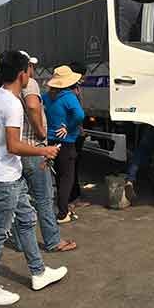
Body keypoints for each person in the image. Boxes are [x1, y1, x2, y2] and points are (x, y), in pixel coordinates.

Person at [0, 50, 66, 307]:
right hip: (5, 179)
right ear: (23, 73)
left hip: (9, 174)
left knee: (26, 221)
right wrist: (43, 149)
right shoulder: (12, 104)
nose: (30, 75)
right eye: (29, 71)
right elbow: (14, 145)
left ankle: (38, 272)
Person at [15, 52, 76, 252]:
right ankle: (52, 240)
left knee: (21, 200)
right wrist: (41, 132)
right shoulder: (29, 83)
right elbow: (33, 106)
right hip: (34, 149)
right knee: (44, 197)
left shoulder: (7, 89)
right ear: (26, 68)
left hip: (16, 149)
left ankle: (21, 241)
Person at [42, 66, 85, 224]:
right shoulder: (68, 96)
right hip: (67, 142)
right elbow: (80, 115)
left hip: (51, 141)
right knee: (68, 178)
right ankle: (62, 213)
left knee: (59, 177)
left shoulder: (47, 97)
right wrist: (68, 127)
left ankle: (63, 209)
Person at [67, 62, 89, 211]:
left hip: (74, 133)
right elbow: (78, 114)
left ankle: (74, 198)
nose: (85, 77)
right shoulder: (71, 91)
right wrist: (78, 129)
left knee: (73, 168)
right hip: (72, 135)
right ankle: (71, 200)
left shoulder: (73, 88)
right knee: (71, 169)